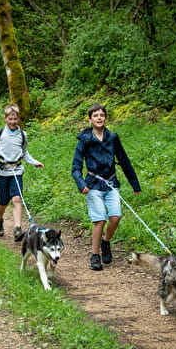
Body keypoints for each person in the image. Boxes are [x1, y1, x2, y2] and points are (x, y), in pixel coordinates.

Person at [71, 103, 141, 271]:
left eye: (102, 115)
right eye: (95, 116)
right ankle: (95, 255)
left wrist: (134, 183)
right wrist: (81, 184)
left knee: (116, 217)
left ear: (105, 118)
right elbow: (75, 167)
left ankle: (106, 242)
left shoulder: (113, 137)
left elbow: (124, 160)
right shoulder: (85, 140)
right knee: (100, 220)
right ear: (90, 119)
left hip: (110, 183)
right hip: (93, 184)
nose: (99, 118)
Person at [0, 103, 44, 242]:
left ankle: (17, 228)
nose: (13, 122)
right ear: (5, 118)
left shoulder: (22, 135)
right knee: (3, 203)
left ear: (18, 119)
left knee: (17, 198)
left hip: (17, 171)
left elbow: (24, 153)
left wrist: (35, 162)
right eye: (10, 119)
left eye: (15, 119)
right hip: (2, 171)